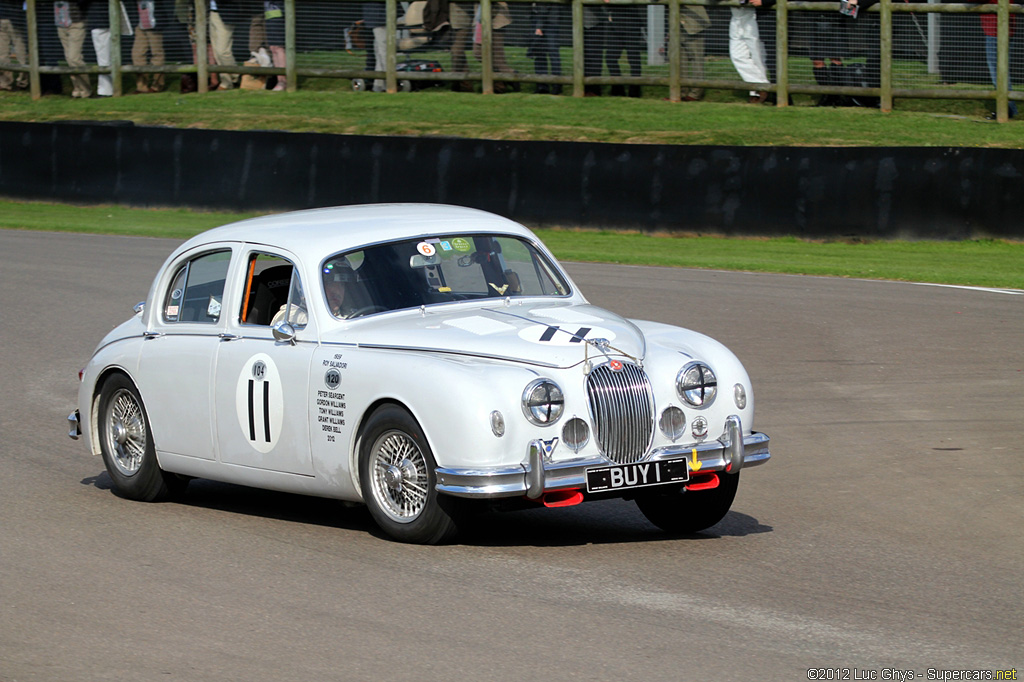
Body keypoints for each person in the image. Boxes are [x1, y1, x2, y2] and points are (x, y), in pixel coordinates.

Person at [980, 0, 1018, 118]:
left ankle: (1007, 110)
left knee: (998, 70)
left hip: (996, 27)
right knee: (999, 69)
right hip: (999, 25)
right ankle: (1008, 109)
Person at [729, 0, 770, 103]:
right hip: (736, 18)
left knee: (758, 57)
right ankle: (762, 85)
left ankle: (756, 92)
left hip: (753, 17)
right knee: (737, 55)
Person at [54, 0, 92, 97]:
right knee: (69, 59)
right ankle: (77, 89)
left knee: (74, 58)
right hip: (61, 22)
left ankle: (86, 90)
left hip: (76, 23)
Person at [604, 5, 643, 97]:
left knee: (633, 58)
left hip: (631, 23)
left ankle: (634, 91)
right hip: (614, 24)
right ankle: (618, 89)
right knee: (610, 57)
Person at [131, 0, 168, 93]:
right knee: (137, 54)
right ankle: (141, 86)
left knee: (157, 54)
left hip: (154, 22)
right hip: (139, 23)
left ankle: (157, 85)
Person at [528, 1, 562, 94]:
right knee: (539, 52)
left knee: (553, 52)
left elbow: (545, 4)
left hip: (550, 20)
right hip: (536, 17)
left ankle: (557, 84)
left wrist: (539, 26)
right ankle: (542, 85)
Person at [679, 4, 710, 101]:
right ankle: (681, 92)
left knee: (696, 59)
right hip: (677, 22)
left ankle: (696, 93)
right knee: (679, 59)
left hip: (694, 21)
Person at [208, 0, 239, 89]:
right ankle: (226, 82)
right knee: (216, 52)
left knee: (223, 51)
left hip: (226, 13)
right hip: (212, 12)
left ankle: (236, 76)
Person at [0, 0, 28, 91]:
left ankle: (19, 82)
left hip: (15, 18)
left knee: (20, 52)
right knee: (3, 53)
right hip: (7, 16)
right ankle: (7, 83)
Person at [263, 0, 285, 90]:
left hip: (279, 14)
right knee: (273, 48)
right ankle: (279, 80)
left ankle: (284, 82)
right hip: (269, 14)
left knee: (279, 48)